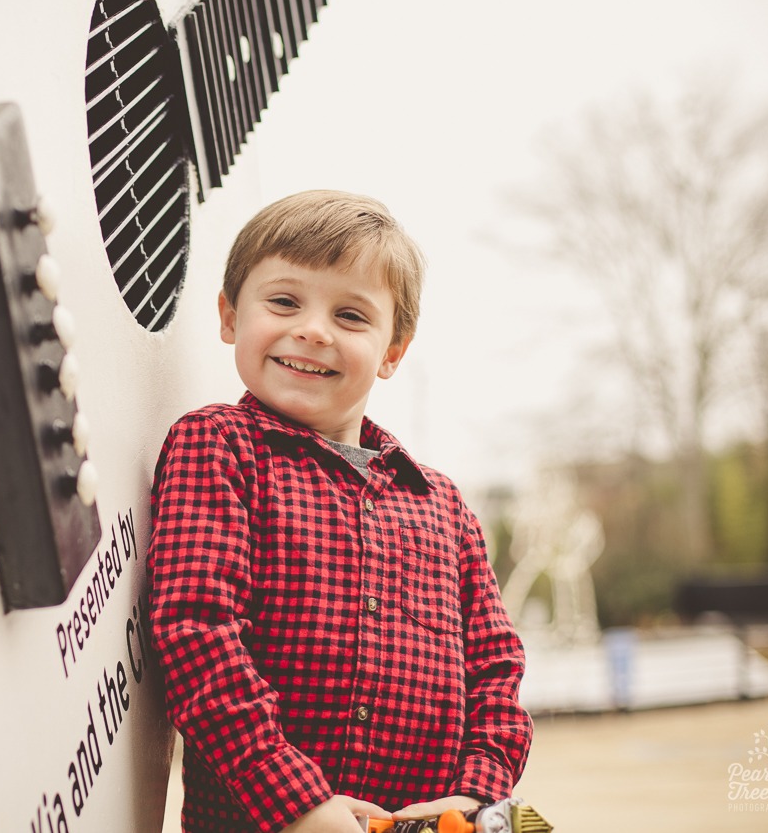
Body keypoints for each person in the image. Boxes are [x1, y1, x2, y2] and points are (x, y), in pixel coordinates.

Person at [148, 191, 531, 832]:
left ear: (391, 352)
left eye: (351, 316)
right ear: (229, 315)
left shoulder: (443, 505)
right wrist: (298, 803)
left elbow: (496, 667)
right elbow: (196, 632)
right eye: (284, 301)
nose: (314, 329)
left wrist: (475, 794)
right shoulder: (217, 446)